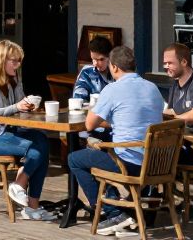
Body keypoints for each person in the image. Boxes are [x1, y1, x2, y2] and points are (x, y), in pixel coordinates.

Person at [68, 45, 165, 236]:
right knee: (105, 153)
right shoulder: (152, 87)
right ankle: (124, 212)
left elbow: (89, 125)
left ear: (114, 67)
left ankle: (113, 212)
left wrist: (101, 111)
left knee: (75, 159)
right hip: (156, 162)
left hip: (129, 162)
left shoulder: (112, 89)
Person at [0, 40, 54, 222]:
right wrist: (16, 107)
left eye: (19, 61)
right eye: (14, 61)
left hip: (7, 131)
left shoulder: (14, 79)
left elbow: (18, 106)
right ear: (1, 59)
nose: (17, 65)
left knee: (42, 140)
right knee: (36, 148)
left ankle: (29, 202)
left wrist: (28, 105)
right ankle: (23, 191)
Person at [73, 35, 115, 101]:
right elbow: (78, 98)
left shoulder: (117, 73)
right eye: (93, 59)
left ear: (110, 57)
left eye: (100, 59)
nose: (95, 64)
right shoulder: (87, 72)